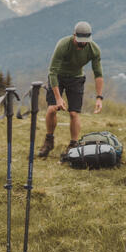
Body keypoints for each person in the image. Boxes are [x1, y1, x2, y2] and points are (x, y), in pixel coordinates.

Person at [39, 21, 104, 158]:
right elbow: (52, 72)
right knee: (52, 109)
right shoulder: (63, 45)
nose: (82, 45)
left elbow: (98, 74)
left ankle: (73, 145)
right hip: (58, 77)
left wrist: (99, 97)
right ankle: (49, 140)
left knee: (74, 113)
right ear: (74, 35)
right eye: (80, 41)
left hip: (76, 79)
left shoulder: (94, 49)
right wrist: (58, 98)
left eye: (84, 42)